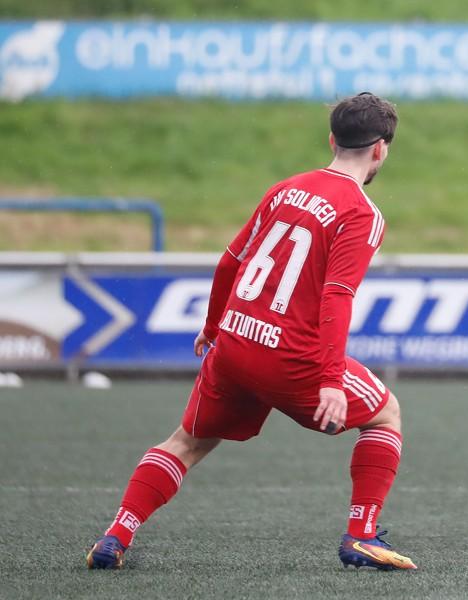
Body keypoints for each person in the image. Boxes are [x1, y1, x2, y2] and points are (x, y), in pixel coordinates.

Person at [86, 93, 416, 571]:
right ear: (381, 149)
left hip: (235, 343)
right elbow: (337, 297)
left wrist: (213, 326)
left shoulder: (285, 188)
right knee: (386, 415)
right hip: (293, 360)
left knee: (185, 443)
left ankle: (115, 537)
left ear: (332, 140)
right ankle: (360, 535)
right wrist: (329, 380)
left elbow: (229, 261)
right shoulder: (362, 213)